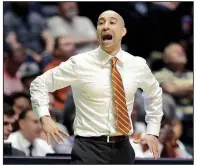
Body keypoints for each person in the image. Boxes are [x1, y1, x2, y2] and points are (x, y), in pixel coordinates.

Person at [30, 10, 163, 164]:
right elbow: (39, 84)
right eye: (101, 22)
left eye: (112, 22)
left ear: (123, 31)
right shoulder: (79, 63)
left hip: (123, 148)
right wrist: (44, 117)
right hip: (88, 148)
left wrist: (153, 130)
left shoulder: (137, 64)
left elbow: (154, 93)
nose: (105, 26)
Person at [154, 43, 193, 119]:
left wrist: (179, 90)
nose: (181, 53)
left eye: (182, 51)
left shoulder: (192, 74)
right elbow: (170, 89)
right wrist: (191, 89)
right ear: (166, 58)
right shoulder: (160, 75)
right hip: (174, 116)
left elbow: (175, 89)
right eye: (176, 51)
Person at [43, 36, 76, 110]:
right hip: (62, 108)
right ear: (57, 50)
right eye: (67, 45)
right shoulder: (51, 70)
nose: (72, 47)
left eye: (72, 44)